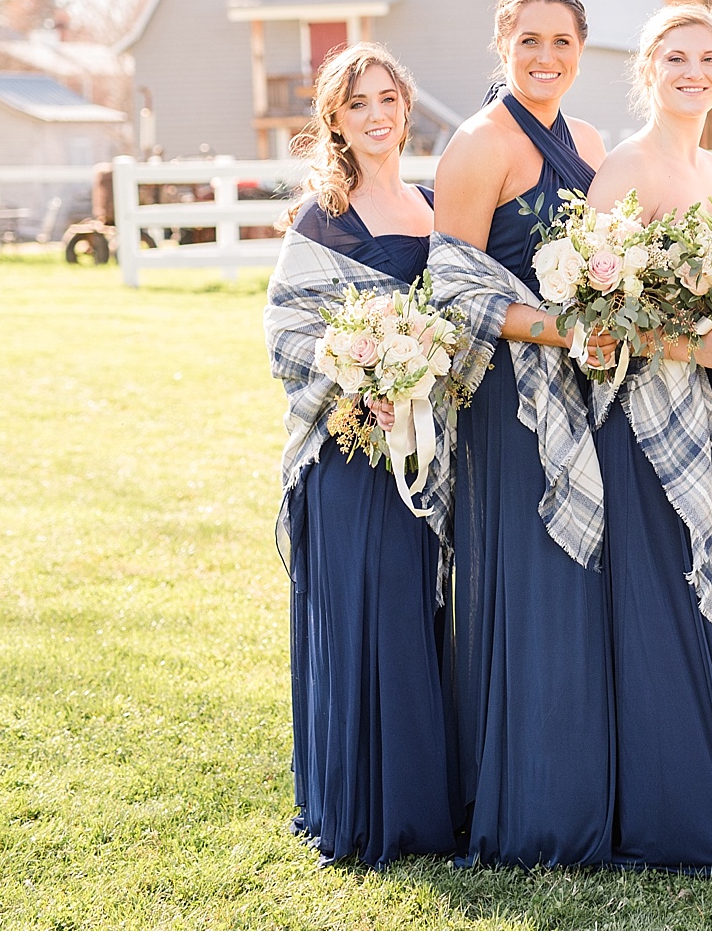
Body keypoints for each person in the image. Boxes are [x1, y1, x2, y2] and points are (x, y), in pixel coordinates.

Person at [429, 0, 613, 867]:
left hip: (587, 389)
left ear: (582, 49)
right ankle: (523, 801)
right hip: (507, 397)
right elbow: (454, 286)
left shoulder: (591, 142)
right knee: (526, 578)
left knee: (579, 587)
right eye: (529, 40)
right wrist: (562, 328)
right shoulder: (478, 143)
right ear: (502, 41)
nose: (546, 57)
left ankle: (580, 788)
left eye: (562, 42)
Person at [264, 43, 458, 867]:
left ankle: (424, 804)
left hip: (428, 443)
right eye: (357, 104)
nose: (376, 114)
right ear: (335, 121)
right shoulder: (324, 216)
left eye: (387, 98)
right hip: (352, 451)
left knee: (421, 611)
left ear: (406, 107)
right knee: (364, 614)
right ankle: (365, 809)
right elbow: (286, 331)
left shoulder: (431, 204)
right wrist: (361, 377)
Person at [585, 3, 712, 873]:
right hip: (647, 420)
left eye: (710, 57)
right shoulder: (624, 170)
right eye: (678, 57)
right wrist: (687, 344)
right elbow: (589, 324)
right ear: (649, 67)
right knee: (664, 598)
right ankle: (669, 814)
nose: (695, 71)